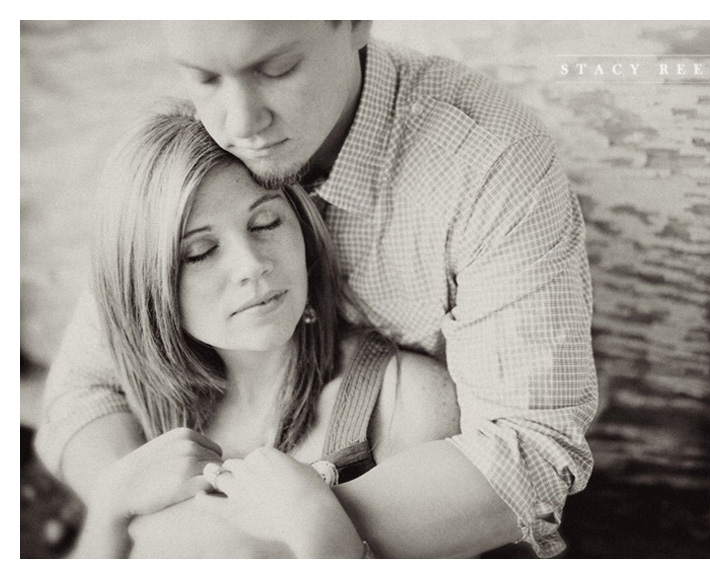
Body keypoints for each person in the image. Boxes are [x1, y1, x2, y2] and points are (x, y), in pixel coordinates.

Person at [37, 21, 598, 557]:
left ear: (354, 22)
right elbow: (87, 386)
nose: (237, 124)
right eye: (203, 77)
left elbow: (533, 452)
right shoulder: (197, 142)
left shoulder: (487, 161)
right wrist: (134, 507)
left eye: (278, 68)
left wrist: (271, 536)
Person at [70, 104, 460, 558]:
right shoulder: (146, 415)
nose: (252, 266)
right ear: (148, 287)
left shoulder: (402, 403)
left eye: (265, 223)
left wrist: (320, 528)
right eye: (200, 252)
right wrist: (108, 508)